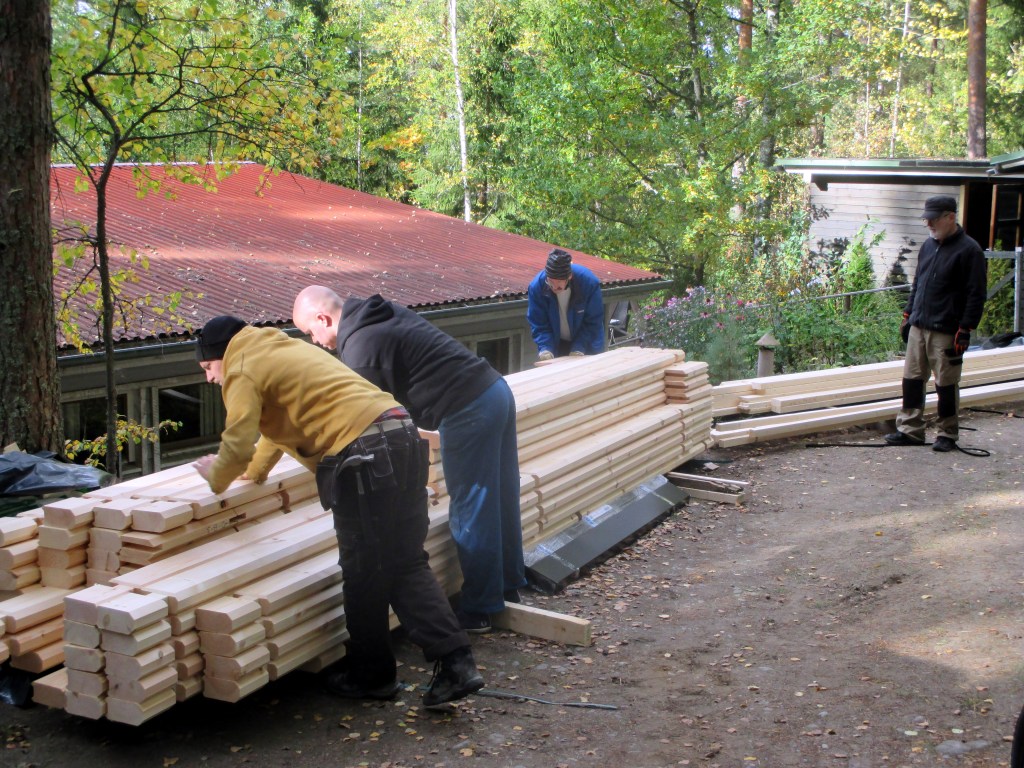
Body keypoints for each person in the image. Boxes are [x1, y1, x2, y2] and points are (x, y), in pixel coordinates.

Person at [191, 315, 484, 707]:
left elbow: (239, 436)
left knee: (364, 572)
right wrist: (255, 472)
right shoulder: (279, 349)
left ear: (220, 356)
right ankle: (457, 664)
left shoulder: (240, 365)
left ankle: (371, 676)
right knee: (405, 561)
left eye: (209, 368)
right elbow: (274, 429)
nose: (211, 378)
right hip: (402, 436)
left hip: (363, 457)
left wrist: (218, 476)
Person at [292, 286, 527, 634]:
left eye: (311, 332)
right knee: (499, 494)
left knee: (470, 507)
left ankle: (480, 609)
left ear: (323, 318)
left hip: (467, 408)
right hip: (492, 390)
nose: (315, 341)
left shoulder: (361, 347)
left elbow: (362, 420)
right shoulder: (376, 314)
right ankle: (508, 586)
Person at [884, 195, 987, 452]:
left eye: (933, 219)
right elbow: (918, 283)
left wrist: (965, 329)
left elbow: (976, 294)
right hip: (920, 324)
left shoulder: (969, 250)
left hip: (947, 331)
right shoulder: (928, 246)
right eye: (926, 219)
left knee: (946, 385)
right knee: (912, 380)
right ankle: (910, 430)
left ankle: (947, 434)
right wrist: (908, 315)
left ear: (950, 217)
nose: (928, 224)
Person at [526, 248, 606, 360]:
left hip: (589, 343)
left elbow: (593, 321)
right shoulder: (537, 287)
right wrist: (546, 348)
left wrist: (579, 347)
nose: (554, 287)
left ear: (569, 277)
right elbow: (539, 323)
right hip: (558, 342)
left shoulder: (588, 283)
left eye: (559, 282)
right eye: (551, 281)